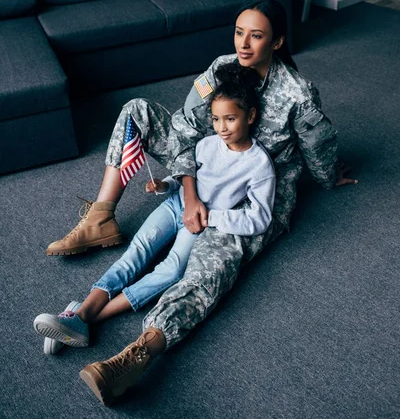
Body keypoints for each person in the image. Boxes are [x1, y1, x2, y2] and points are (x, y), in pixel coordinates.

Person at [45, 0, 357, 405]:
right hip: (203, 174)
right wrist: (188, 193)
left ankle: (136, 354)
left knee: (206, 271)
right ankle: (101, 217)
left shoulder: (298, 93)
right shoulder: (221, 69)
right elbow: (188, 129)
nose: (244, 44)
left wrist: (328, 176)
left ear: (277, 41)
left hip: (249, 199)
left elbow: (319, 147)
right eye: (239, 32)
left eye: (257, 36)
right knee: (137, 109)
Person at [34, 64, 276, 355]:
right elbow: (187, 180)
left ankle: (85, 316)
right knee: (135, 254)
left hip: (201, 223)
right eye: (215, 119)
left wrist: (211, 216)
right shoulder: (208, 144)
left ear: (250, 116)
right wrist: (165, 186)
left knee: (171, 270)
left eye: (230, 119)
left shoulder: (259, 164)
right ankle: (82, 314)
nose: (222, 127)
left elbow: (260, 218)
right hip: (176, 205)